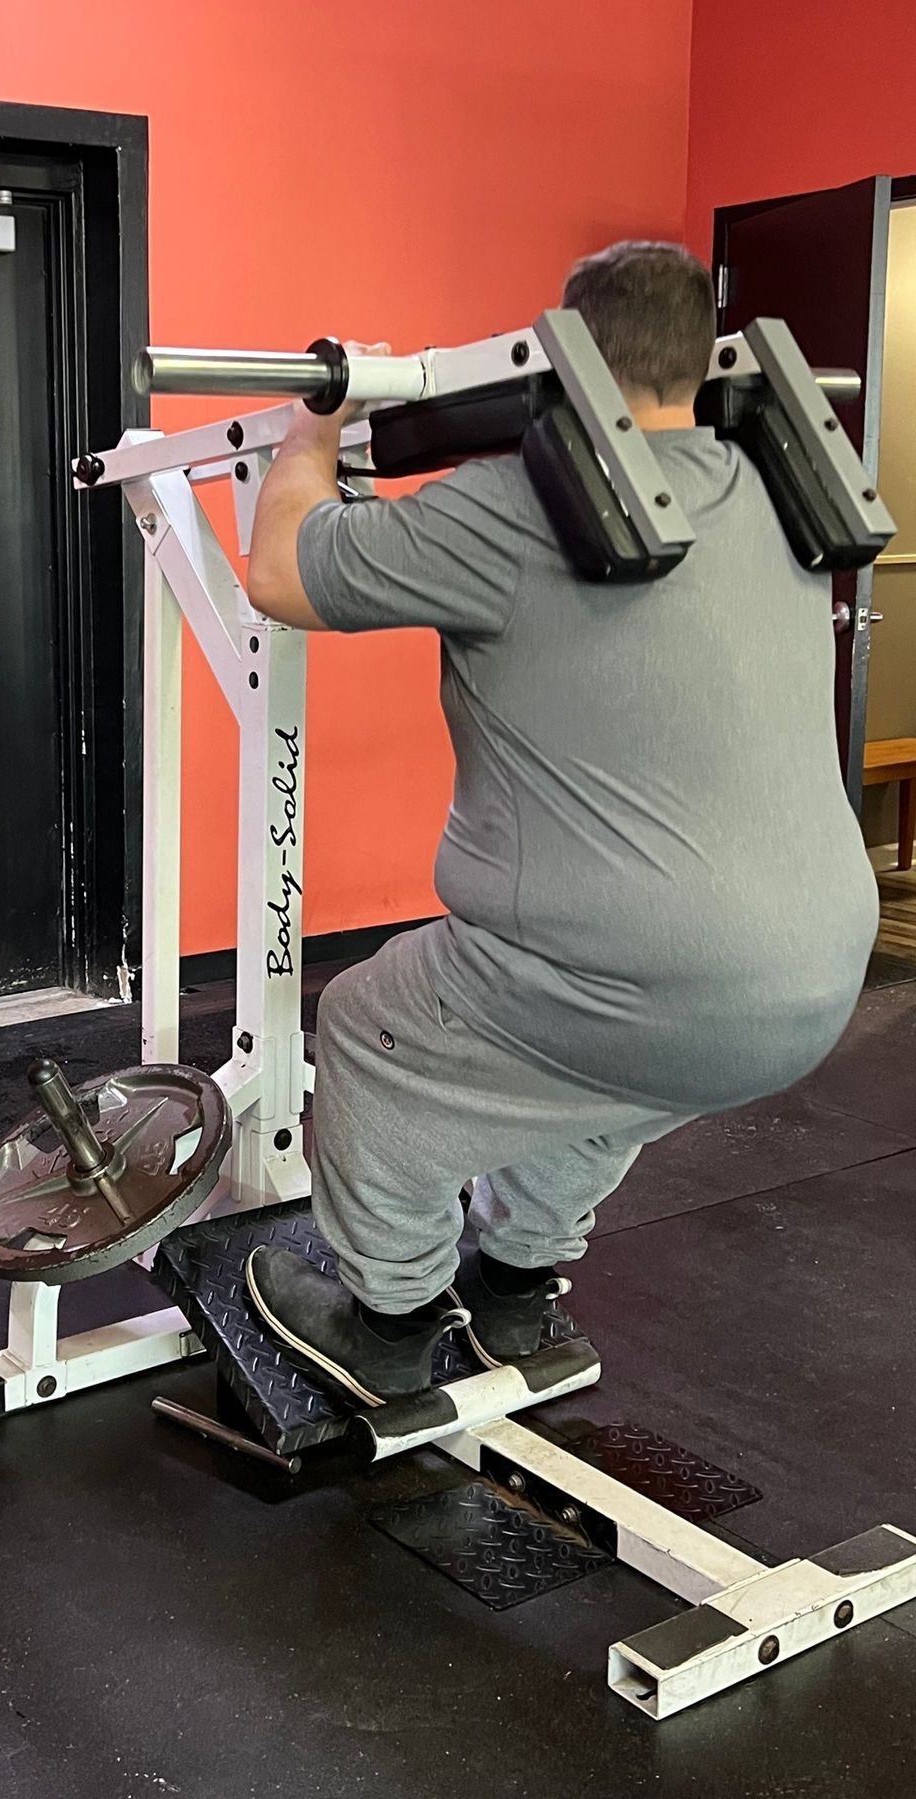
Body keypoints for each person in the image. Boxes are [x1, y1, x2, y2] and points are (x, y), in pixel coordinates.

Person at [240, 241, 878, 1405]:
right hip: (819, 982)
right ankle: (518, 1293)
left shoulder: (512, 510)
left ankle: (386, 1318)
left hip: (636, 973)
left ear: (561, 343)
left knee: (372, 1024)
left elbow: (281, 569)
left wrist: (308, 431)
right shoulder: (780, 493)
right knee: (599, 1078)